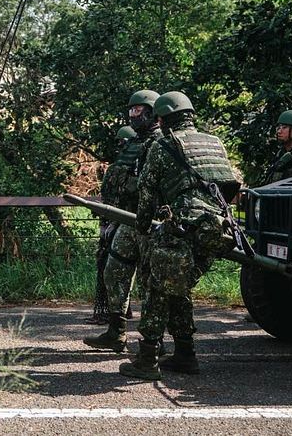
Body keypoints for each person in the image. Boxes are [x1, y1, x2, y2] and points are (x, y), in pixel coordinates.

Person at [119, 91, 240, 381]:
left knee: (158, 291)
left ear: (163, 118)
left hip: (182, 228)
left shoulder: (163, 144)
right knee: (178, 288)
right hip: (216, 230)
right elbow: (230, 185)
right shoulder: (214, 143)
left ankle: (147, 360)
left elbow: (147, 192)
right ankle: (185, 354)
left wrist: (144, 227)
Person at [84, 90, 160, 349]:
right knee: (113, 271)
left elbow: (156, 184)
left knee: (152, 283)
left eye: (137, 110)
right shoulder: (134, 143)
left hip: (151, 222)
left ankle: (154, 343)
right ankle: (116, 332)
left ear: (152, 112)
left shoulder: (161, 143)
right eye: (131, 110)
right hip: (128, 219)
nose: (132, 115)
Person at [86, 124, 137, 324]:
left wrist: (106, 227)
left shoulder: (117, 170)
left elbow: (109, 200)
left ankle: (113, 313)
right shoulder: (130, 168)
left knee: (112, 267)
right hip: (128, 222)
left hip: (119, 223)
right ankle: (123, 310)